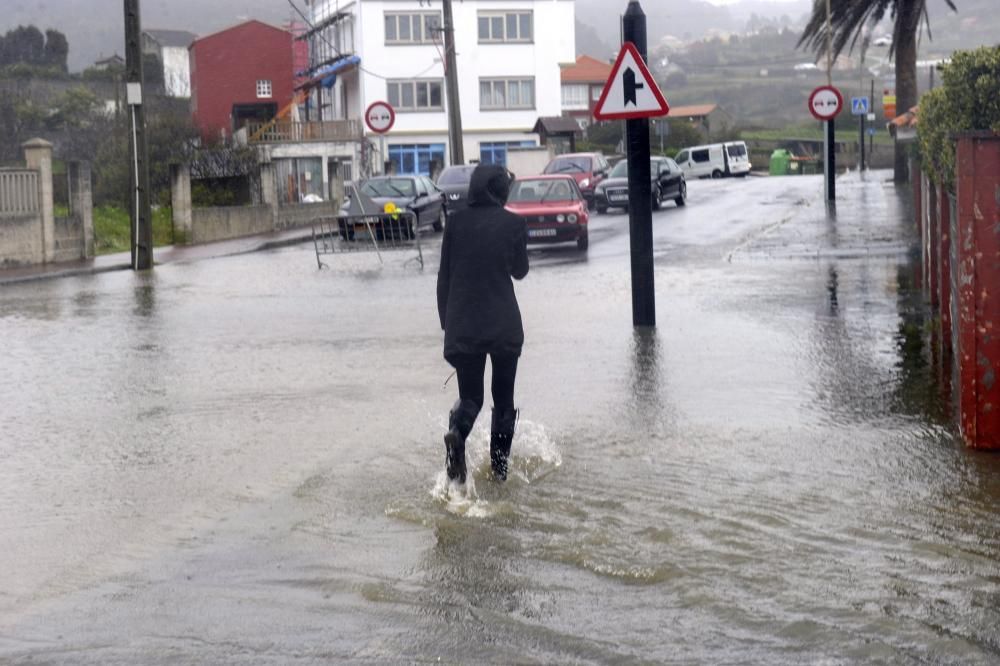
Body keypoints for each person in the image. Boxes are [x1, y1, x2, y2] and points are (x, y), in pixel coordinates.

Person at [437, 164, 529, 483]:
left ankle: (457, 436)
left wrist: (447, 325)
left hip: (463, 324)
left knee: (471, 397)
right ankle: (499, 473)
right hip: (503, 324)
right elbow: (520, 271)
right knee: (503, 399)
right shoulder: (515, 224)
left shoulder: (455, 223)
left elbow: (444, 278)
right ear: (500, 191)